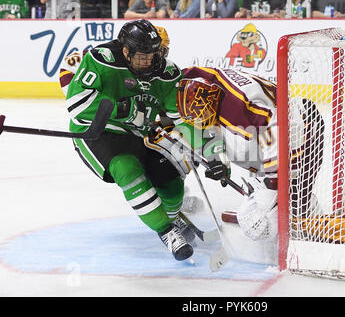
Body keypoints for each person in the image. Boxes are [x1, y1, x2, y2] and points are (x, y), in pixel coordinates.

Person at [62, 20, 195, 261]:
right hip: (99, 131)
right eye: (141, 56)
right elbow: (76, 104)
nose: (148, 61)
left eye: (153, 54)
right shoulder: (102, 59)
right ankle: (166, 231)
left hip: (139, 134)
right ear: (126, 51)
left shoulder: (167, 73)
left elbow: (180, 118)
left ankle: (170, 217)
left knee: (171, 180)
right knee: (127, 169)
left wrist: (198, 147)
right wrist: (123, 109)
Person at [171, 67, 325, 241]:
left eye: (203, 115)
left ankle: (309, 234)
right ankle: (304, 220)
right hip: (280, 129)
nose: (200, 121)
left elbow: (275, 124)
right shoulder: (200, 83)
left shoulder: (237, 109)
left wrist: (272, 183)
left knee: (265, 216)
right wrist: (219, 162)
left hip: (300, 130)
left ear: (213, 101)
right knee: (286, 205)